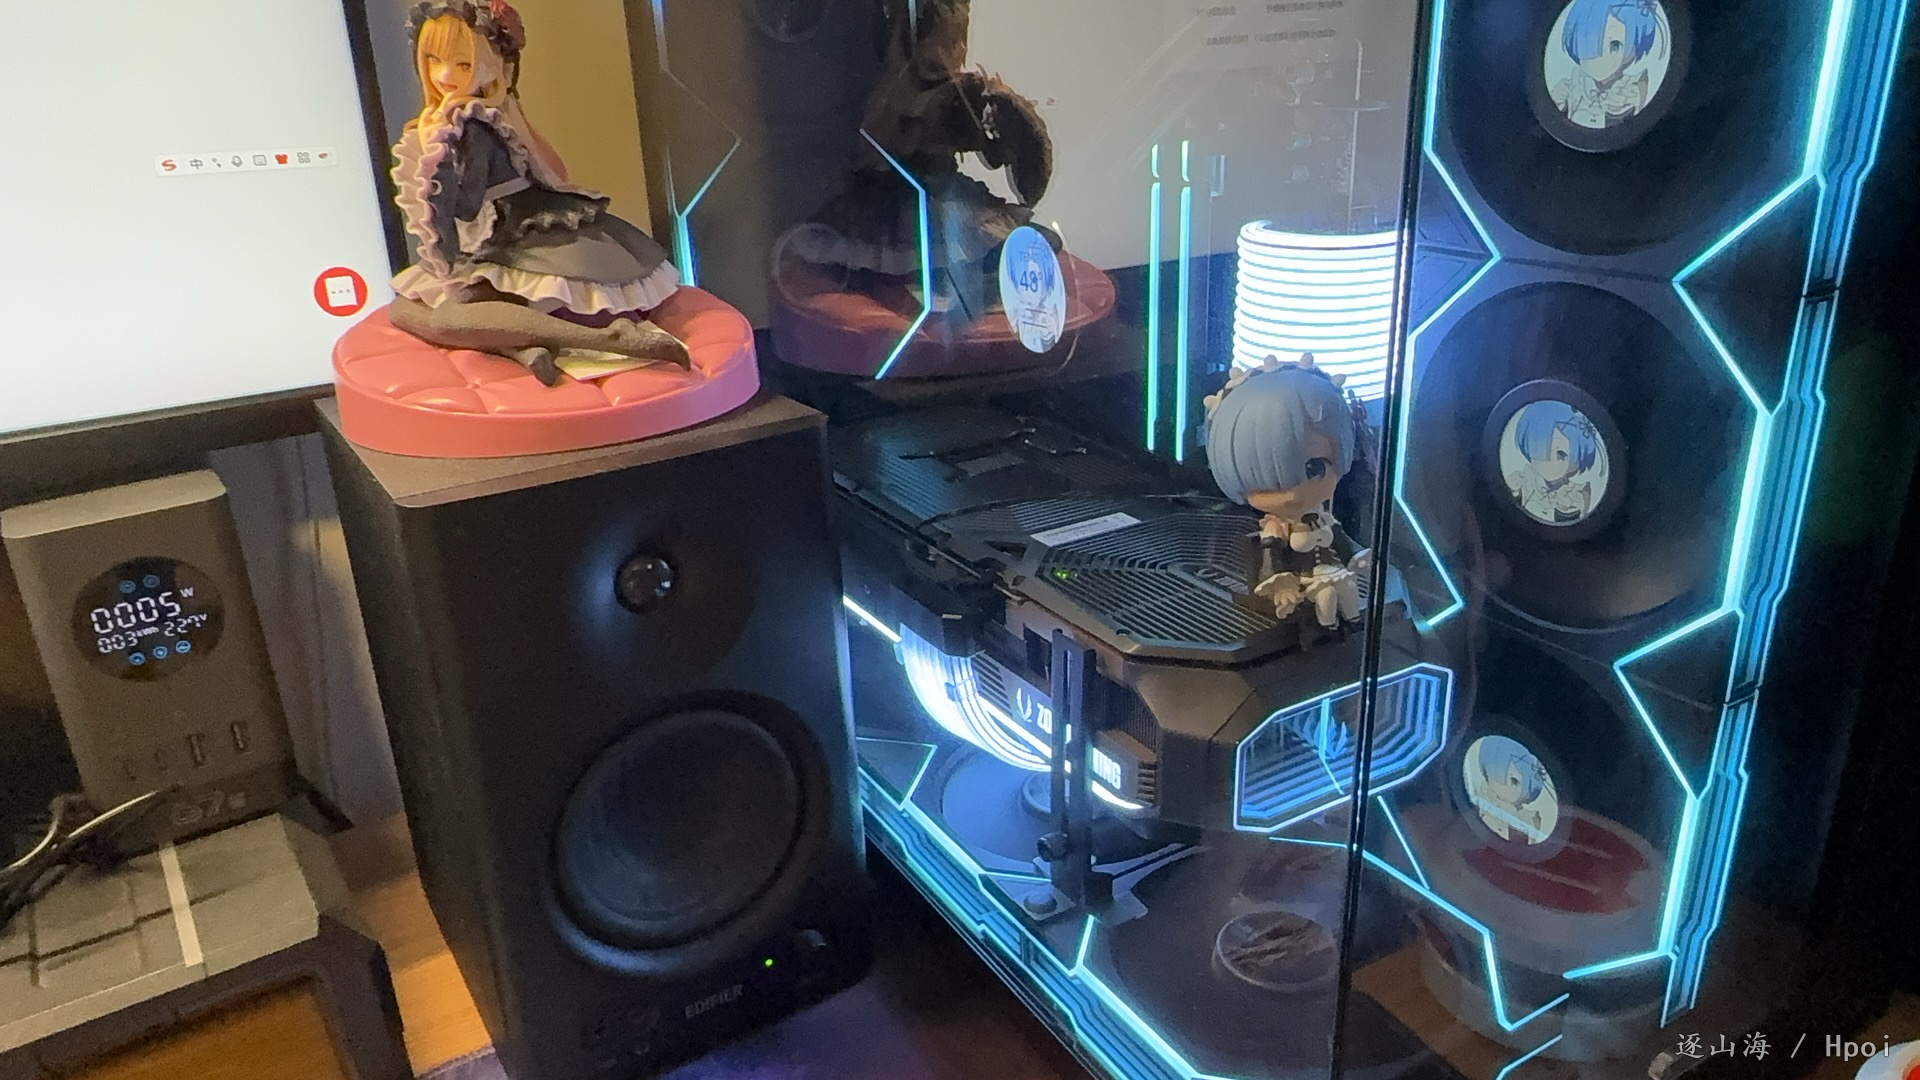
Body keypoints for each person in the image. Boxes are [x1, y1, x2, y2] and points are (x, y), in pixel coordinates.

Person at [387, 0, 688, 385]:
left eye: (463, 64)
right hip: (504, 231)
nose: (444, 74)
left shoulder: (470, 125)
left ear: (492, 65)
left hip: (516, 234)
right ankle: (522, 347)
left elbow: (467, 206)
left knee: (443, 317)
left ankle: (606, 340)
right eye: (433, 60)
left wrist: (433, 171)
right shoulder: (474, 115)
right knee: (406, 309)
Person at [1205, 354, 1371, 629]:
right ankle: (1329, 629)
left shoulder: (1322, 516)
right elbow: (1270, 560)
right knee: (1327, 597)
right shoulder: (1276, 528)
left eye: (1315, 468)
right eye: (1268, 480)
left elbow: (1342, 542)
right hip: (1302, 582)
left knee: (1349, 590)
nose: (1293, 493)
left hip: (1331, 572)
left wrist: (1357, 556)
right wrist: (1279, 585)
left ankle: (1351, 625)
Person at [1549, 0, 1670, 130]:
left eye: (1615, 46)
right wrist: (1556, 101)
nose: (1598, 54)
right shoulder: (1571, 87)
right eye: (1589, 39)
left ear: (1632, 52)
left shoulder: (1631, 89)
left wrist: (1639, 98)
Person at [1505, 399, 1601, 525]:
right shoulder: (1523, 480)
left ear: (1575, 464)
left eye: (1561, 455)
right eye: (1539, 447)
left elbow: (1578, 528)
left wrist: (1567, 512)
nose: (1547, 459)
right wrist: (1514, 493)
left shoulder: (1575, 493)